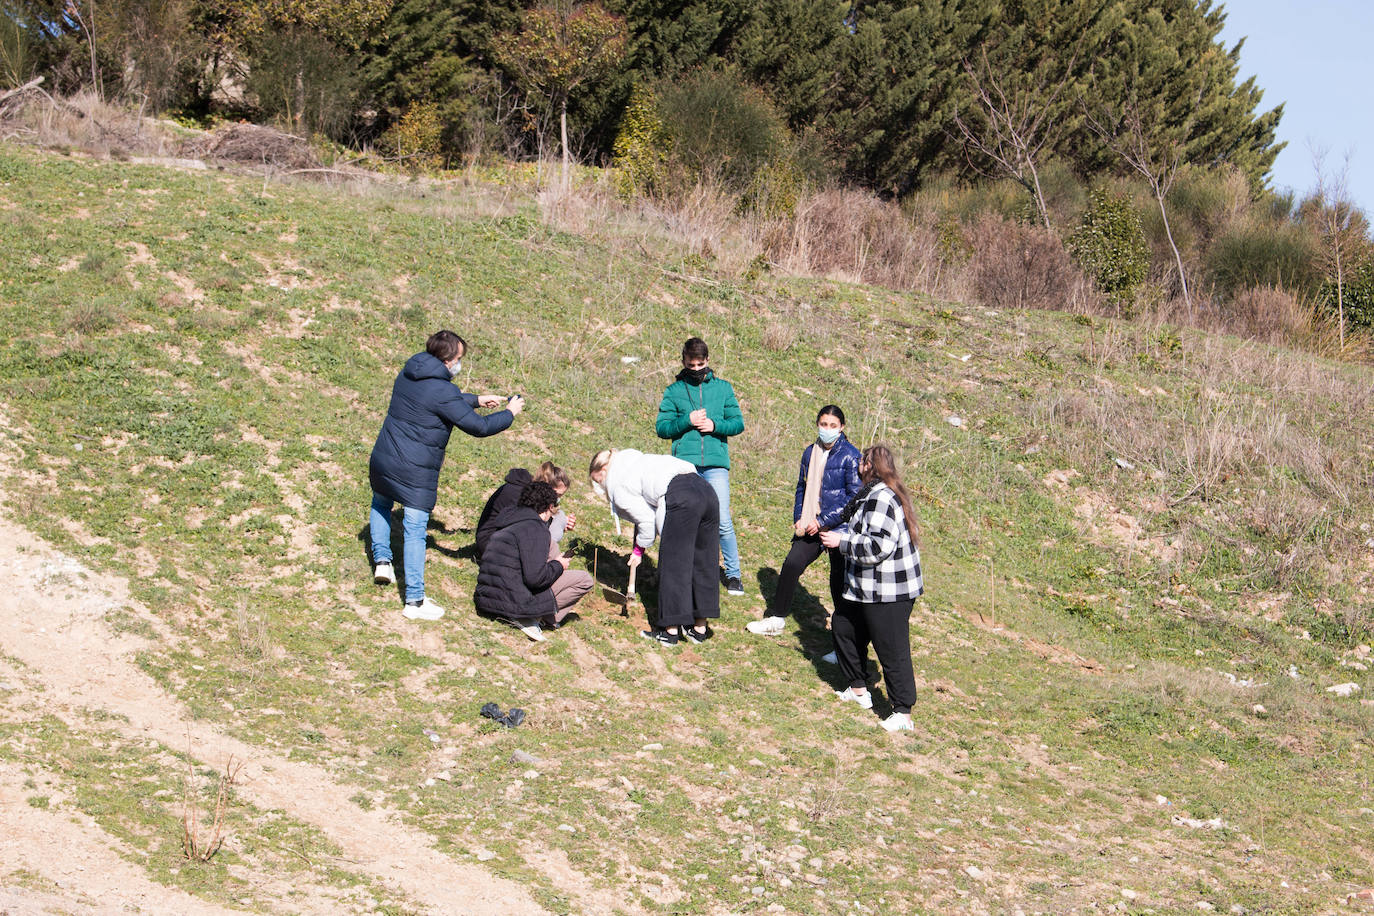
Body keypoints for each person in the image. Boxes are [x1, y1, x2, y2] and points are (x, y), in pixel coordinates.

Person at [368, 330, 524, 620]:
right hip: (415, 471)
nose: (459, 365)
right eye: (459, 359)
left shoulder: (410, 371)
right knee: (415, 532)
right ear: (448, 359)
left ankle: (382, 561)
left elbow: (438, 401)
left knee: (381, 504)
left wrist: (476, 399)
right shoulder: (443, 390)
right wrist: (510, 414)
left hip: (385, 458)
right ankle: (414, 602)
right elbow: (478, 428)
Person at [819, 445, 923, 732]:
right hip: (865, 588)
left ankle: (903, 713)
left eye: (862, 461)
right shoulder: (870, 495)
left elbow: (878, 546)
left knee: (891, 650)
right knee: (843, 626)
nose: (857, 465)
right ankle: (858, 690)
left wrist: (840, 543)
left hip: (888, 591)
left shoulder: (881, 498)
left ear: (870, 467)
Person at [747, 406, 862, 637]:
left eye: (832, 425)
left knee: (839, 582)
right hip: (810, 523)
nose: (827, 429)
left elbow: (855, 497)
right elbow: (802, 487)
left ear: (842, 427)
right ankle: (777, 620)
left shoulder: (851, 455)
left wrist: (823, 521)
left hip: (838, 528)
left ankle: (843, 643)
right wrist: (799, 517)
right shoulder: (810, 452)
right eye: (823, 424)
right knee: (791, 565)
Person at [588, 448, 720, 645]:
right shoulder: (639, 460)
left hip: (680, 494)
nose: (600, 486)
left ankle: (670, 631)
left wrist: (639, 550)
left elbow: (647, 521)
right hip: (706, 490)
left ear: (605, 470)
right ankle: (699, 628)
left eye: (598, 481)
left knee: (674, 565)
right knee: (702, 561)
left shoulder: (618, 485)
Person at [655, 337, 746, 596]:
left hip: (716, 465)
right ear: (683, 360)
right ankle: (686, 569)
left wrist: (715, 426)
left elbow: (737, 423)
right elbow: (662, 428)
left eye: (700, 364)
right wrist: (687, 420)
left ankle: (733, 574)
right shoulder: (673, 391)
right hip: (684, 465)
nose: (695, 369)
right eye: (691, 364)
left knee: (723, 521)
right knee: (685, 520)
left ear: (708, 361)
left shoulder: (724, 389)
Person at [473, 482, 593, 641]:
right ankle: (545, 618)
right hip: (512, 604)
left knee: (552, 547)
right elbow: (535, 578)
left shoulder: (508, 520)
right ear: (550, 507)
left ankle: (538, 614)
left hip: (486, 599)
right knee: (585, 580)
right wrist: (559, 565)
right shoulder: (535, 528)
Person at [474, 461, 576, 560]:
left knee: (559, 516)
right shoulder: (518, 493)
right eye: (556, 495)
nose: (556, 499)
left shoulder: (534, 493)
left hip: (508, 539)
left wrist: (562, 523)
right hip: (490, 544)